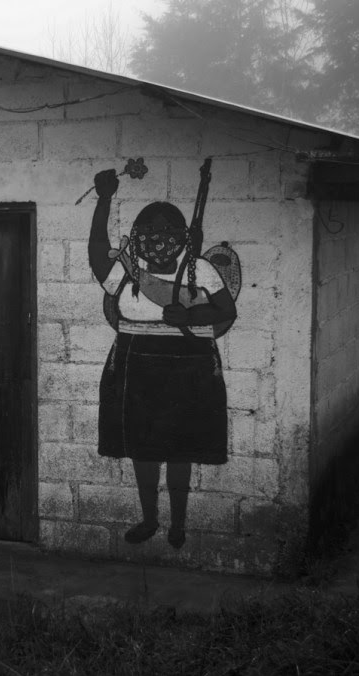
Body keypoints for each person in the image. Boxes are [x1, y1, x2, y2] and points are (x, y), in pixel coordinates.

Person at [87, 168, 236, 547]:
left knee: (180, 446)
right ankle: (150, 519)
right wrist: (103, 200)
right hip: (136, 361)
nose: (158, 242)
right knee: (143, 446)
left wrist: (191, 315)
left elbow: (225, 312)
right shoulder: (126, 268)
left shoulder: (200, 269)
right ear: (138, 238)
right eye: (150, 235)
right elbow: (96, 256)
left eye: (167, 234)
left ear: (182, 237)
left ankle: (179, 524)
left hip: (189, 363)